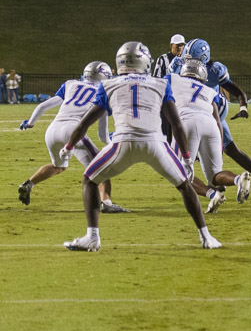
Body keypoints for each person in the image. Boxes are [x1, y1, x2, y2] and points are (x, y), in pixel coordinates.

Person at [60, 41, 220, 252]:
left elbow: (84, 123)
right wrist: (187, 158)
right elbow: (176, 124)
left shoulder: (108, 85)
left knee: (90, 180)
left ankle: (92, 236)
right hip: (156, 144)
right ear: (145, 61)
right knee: (184, 185)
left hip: (122, 143)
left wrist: (69, 147)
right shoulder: (160, 84)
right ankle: (206, 236)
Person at [170, 38, 251, 202]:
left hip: (202, 111)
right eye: (188, 60)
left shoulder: (212, 70)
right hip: (209, 113)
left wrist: (243, 107)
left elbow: (236, 91)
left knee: (181, 166)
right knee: (221, 159)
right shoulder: (180, 65)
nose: (189, 63)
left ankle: (212, 192)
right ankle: (247, 180)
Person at [17, 61, 129, 213]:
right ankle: (107, 203)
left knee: (59, 166)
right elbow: (102, 135)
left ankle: (28, 184)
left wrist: (30, 123)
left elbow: (43, 106)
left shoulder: (71, 84)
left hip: (51, 131)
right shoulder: (103, 93)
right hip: (73, 132)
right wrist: (111, 140)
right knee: (101, 166)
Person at [170, 59, 242, 214]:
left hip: (187, 122)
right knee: (215, 175)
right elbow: (217, 120)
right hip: (211, 126)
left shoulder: (173, 79)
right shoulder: (209, 90)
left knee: (179, 173)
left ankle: (213, 194)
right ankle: (238, 179)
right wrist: (220, 145)